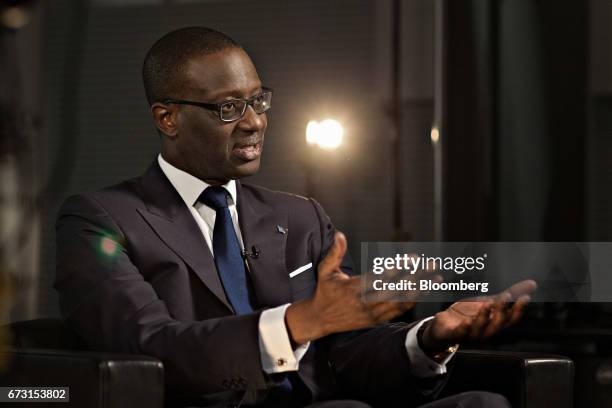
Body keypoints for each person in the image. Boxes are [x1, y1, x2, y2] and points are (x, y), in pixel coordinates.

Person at [54, 27, 535, 408]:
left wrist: (429, 337)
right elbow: (151, 346)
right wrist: (297, 323)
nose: (254, 121)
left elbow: (347, 353)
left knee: (484, 402)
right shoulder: (100, 220)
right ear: (167, 119)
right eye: (228, 107)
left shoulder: (300, 217)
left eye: (258, 100)